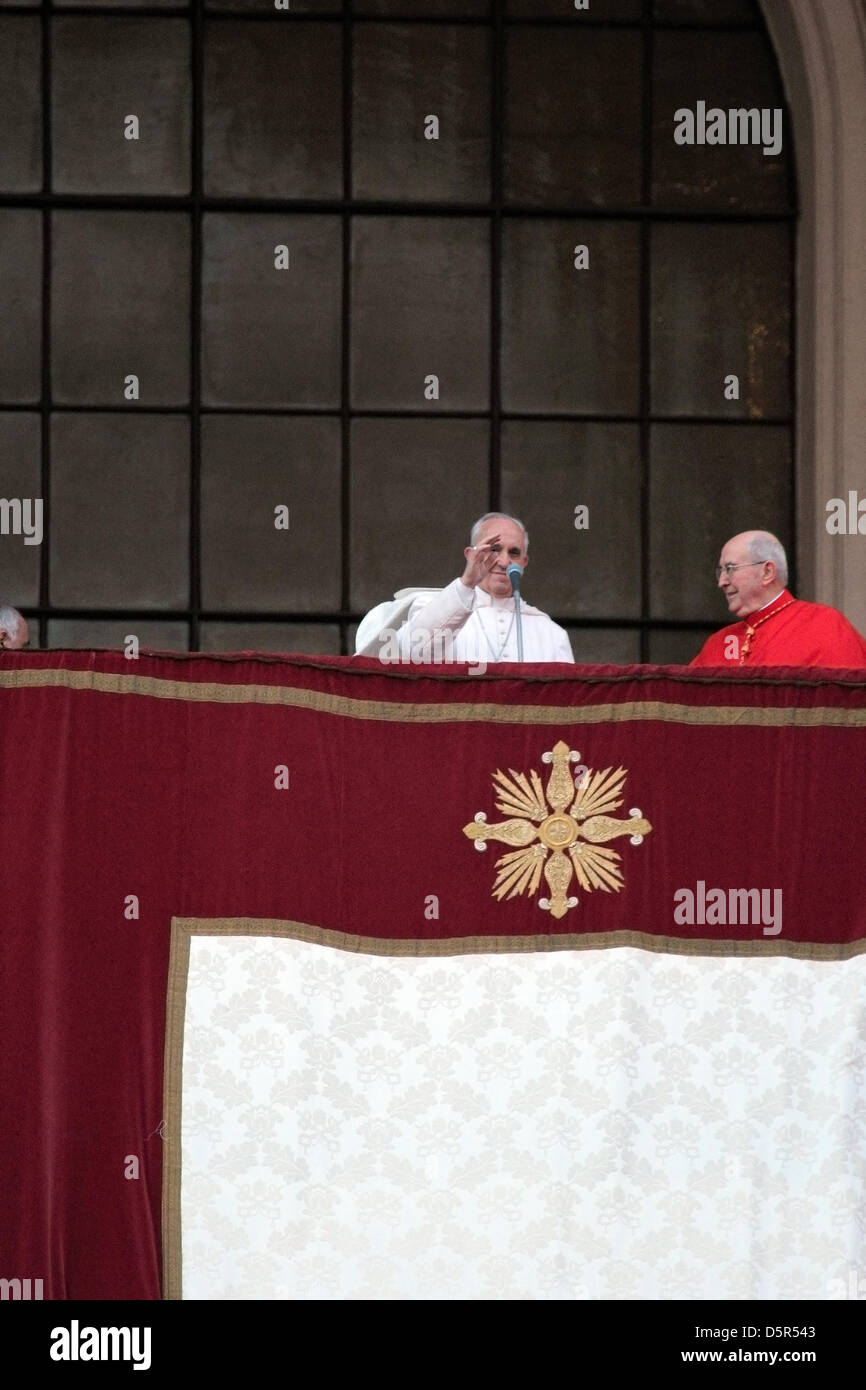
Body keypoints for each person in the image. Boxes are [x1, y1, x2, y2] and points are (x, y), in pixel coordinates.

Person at [355, 512, 574, 664]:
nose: (504, 562)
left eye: (514, 553)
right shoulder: (437, 609)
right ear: (471, 555)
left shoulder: (551, 634)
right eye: (494, 549)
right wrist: (467, 583)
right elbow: (412, 652)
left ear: (524, 562)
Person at [690, 531, 866, 667]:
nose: (722, 582)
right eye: (720, 571)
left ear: (767, 572)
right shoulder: (718, 643)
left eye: (730, 569)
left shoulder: (825, 625)